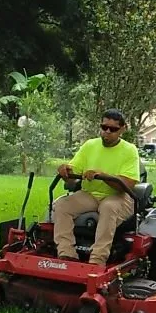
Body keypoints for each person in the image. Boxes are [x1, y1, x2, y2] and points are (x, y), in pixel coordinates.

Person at [53, 109, 140, 265]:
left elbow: (126, 185)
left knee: (108, 207)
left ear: (122, 129)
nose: (107, 132)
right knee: (62, 205)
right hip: (90, 194)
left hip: (119, 197)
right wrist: (66, 171)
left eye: (112, 129)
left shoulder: (129, 150)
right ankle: (67, 254)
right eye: (104, 127)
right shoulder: (90, 145)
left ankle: (97, 260)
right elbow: (73, 179)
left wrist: (103, 175)